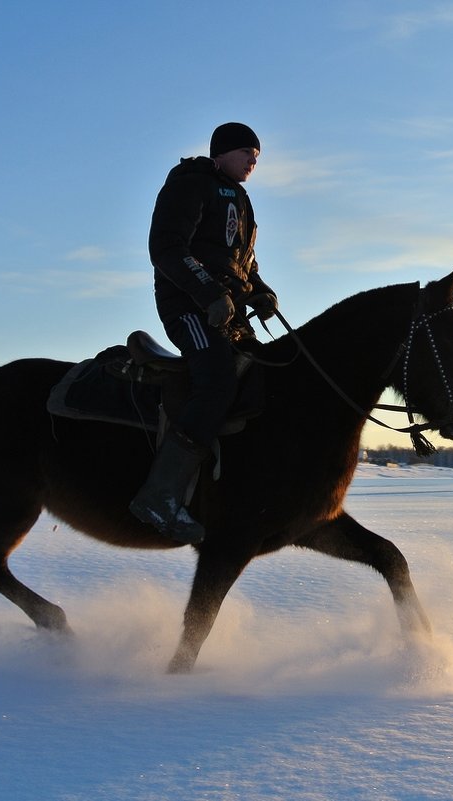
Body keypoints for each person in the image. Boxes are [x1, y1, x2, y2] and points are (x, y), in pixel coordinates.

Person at [129, 122, 279, 544]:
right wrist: (208, 293)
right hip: (188, 307)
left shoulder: (242, 199)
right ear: (224, 152)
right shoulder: (190, 186)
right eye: (248, 151)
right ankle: (159, 497)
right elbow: (166, 249)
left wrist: (261, 293)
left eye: (257, 155)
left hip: (227, 313)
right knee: (215, 380)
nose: (254, 160)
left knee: (265, 375)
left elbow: (242, 264)